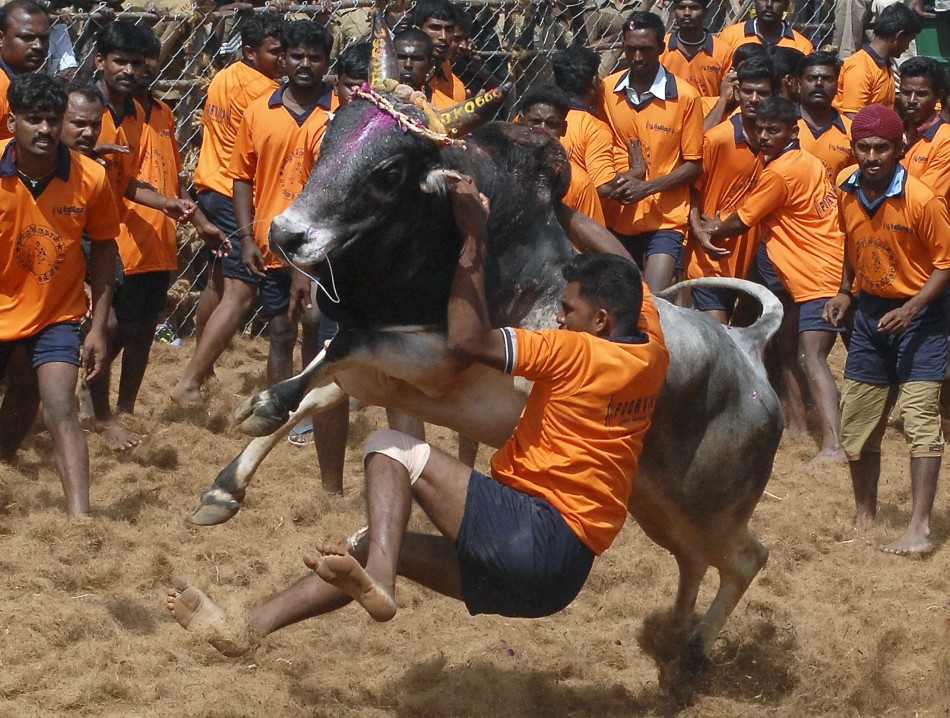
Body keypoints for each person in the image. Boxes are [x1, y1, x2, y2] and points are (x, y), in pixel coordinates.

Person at [166, 174, 669, 652]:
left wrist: (474, 237)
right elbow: (622, 262)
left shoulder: (574, 353)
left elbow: (468, 339)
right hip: (561, 579)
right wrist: (551, 205)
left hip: (531, 530)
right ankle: (243, 630)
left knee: (390, 448)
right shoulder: (651, 348)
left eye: (568, 310)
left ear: (600, 320)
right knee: (380, 542)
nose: (559, 317)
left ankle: (380, 582)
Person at [822, 104, 950, 555]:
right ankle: (865, 518)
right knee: (858, 422)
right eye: (864, 147)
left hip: (923, 319)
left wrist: (913, 308)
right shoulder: (845, 189)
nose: (872, 155)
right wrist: (844, 291)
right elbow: (849, 243)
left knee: (919, 421)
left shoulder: (922, 200)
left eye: (882, 148)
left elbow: (944, 264)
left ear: (899, 149)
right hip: (871, 315)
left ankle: (918, 528)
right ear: (854, 148)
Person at [698, 97, 846, 463]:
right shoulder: (805, 160)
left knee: (811, 356)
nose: (763, 136)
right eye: (759, 129)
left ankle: (834, 446)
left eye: (773, 130)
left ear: (793, 131)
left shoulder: (781, 172)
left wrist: (706, 227)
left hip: (816, 274)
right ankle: (798, 427)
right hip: (802, 271)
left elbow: (740, 221)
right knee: (787, 350)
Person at [0, 74, 120, 515]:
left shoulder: (90, 177)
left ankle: (80, 522)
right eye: (34, 120)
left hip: (57, 314)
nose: (46, 130)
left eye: (53, 120)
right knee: (20, 396)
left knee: (60, 409)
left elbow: (105, 244)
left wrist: (99, 326)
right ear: (12, 121)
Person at [86, 21, 198, 450]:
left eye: (138, 62)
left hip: (106, 232)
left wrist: (167, 204)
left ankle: (110, 413)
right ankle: (98, 413)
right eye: (121, 61)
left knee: (130, 326)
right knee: (106, 324)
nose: (130, 70)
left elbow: (128, 181)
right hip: (72, 227)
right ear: (101, 61)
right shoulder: (82, 106)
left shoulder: (134, 113)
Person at [170, 12, 285, 406]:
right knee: (241, 292)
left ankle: (204, 363)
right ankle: (191, 382)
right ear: (250, 52)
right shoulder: (264, 92)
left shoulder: (224, 74)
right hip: (236, 194)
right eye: (275, 52)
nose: (284, 60)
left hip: (209, 186)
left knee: (218, 283)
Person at [227, 20, 333, 403]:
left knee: (315, 325)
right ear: (283, 60)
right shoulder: (258, 112)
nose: (305, 64)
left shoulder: (339, 114)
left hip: (324, 246)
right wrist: (244, 239)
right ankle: (277, 409)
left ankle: (309, 408)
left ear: (327, 62)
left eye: (315, 57)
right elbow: (241, 177)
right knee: (281, 331)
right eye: (296, 55)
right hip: (273, 243)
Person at [598, 11, 703, 292]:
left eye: (645, 49)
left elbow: (694, 165)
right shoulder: (607, 89)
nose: (637, 57)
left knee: (655, 298)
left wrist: (647, 188)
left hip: (666, 218)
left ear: (661, 48)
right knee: (621, 297)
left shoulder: (685, 96)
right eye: (630, 49)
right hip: (617, 216)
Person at [684, 55, 776, 323]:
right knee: (721, 338)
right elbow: (690, 188)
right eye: (748, 91)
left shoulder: (778, 148)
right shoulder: (718, 139)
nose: (754, 99)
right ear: (738, 91)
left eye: (763, 92)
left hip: (752, 265)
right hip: (710, 260)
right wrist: (699, 230)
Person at [518, 84, 605, 225]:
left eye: (551, 124)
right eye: (535, 122)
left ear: (563, 129)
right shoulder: (502, 169)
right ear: (520, 121)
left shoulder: (578, 183)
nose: (542, 130)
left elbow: (594, 243)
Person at [550, 45, 619, 200]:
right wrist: (635, 171)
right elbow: (603, 187)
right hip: (576, 218)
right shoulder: (594, 128)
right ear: (594, 81)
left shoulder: (532, 118)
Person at [833, 3, 921, 117]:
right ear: (899, 36)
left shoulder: (884, 66)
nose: (907, 47)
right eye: (908, 41)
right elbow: (853, 120)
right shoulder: (860, 68)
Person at [796, 51, 855, 182]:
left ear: (836, 86)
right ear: (799, 84)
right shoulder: (782, 125)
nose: (819, 84)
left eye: (827, 79)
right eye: (811, 78)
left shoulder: (851, 131)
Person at [898, 57, 950, 202]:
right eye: (906, 92)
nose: (912, 100)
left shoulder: (945, 140)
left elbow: (923, 198)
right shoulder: (892, 133)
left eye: (921, 94)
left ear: (938, 96)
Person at [660, 0, 732, 103]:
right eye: (681, 7)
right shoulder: (660, 48)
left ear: (705, 13)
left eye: (693, 8)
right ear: (674, 11)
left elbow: (728, 98)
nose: (687, 13)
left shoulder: (723, 52)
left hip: (709, 115)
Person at [0, 0, 50, 140]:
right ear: (1, 38)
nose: (38, 46)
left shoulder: (26, 83)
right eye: (28, 37)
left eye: (44, 38)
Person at [412, 0, 466, 104]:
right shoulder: (404, 68)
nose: (443, 37)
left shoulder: (456, 85)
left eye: (449, 29)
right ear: (418, 28)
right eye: (435, 28)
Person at [717, 0, 814, 54]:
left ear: (786, 5)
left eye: (776, 0)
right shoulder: (729, 37)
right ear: (754, 3)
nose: (769, 5)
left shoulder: (802, 46)